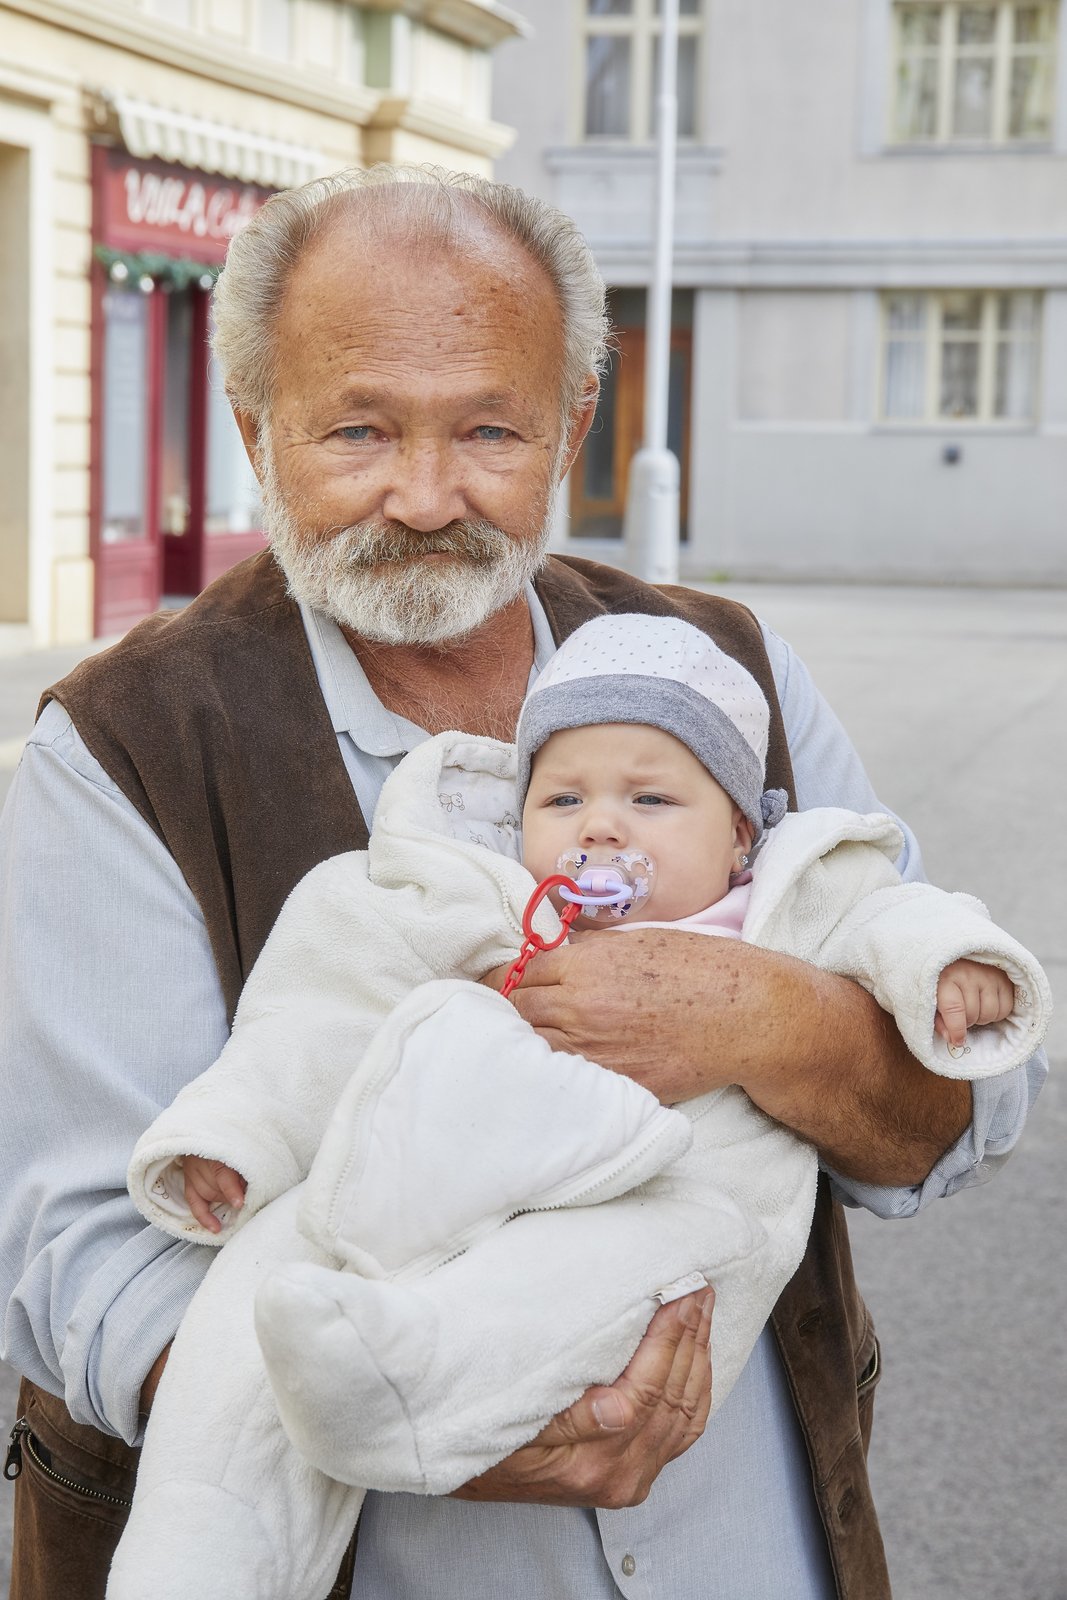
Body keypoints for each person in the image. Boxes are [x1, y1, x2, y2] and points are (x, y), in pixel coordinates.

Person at [0, 165, 1047, 1600]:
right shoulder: (120, 750)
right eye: (357, 429)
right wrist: (451, 1412)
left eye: (488, 428)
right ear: (255, 430)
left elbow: (964, 1102)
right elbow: (85, 1266)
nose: (424, 497)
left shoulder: (725, 673)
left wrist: (762, 1019)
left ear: (567, 426)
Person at [102, 613, 1048, 1600]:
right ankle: (195, 1554)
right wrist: (235, 1137)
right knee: (248, 1297)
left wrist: (952, 966)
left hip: (664, 1198)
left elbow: (899, 913)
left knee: (568, 1281)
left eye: (649, 796)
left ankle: (398, 1388)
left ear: (736, 832)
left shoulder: (791, 896)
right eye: (562, 796)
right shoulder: (474, 895)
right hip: (405, 1188)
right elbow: (320, 1008)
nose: (600, 824)